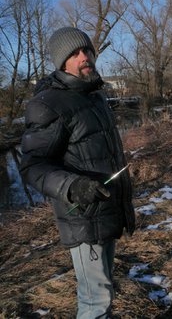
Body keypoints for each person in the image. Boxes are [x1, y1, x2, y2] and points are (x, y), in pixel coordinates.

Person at [19, 26, 136, 318]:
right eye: (74, 53)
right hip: (83, 218)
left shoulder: (94, 96)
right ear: (62, 63)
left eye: (86, 50)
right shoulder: (49, 104)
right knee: (95, 300)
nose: (83, 56)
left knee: (104, 293)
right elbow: (33, 167)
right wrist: (73, 186)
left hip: (107, 208)